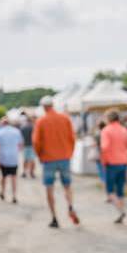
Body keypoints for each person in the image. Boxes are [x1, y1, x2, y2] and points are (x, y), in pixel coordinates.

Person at [33, 96, 79, 228]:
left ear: (43, 107)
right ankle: (70, 206)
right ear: (53, 105)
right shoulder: (65, 118)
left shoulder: (41, 121)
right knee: (67, 186)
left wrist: (40, 155)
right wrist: (69, 152)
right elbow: (72, 137)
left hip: (48, 159)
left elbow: (36, 142)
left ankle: (54, 217)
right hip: (64, 157)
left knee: (49, 188)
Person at [100, 111, 127, 224]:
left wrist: (104, 161)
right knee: (120, 190)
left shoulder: (106, 130)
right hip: (123, 163)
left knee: (110, 190)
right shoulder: (125, 130)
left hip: (111, 163)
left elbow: (104, 148)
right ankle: (121, 212)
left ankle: (121, 211)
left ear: (108, 119)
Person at [0, 117, 24, 203]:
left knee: (4, 176)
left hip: (3, 157)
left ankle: (3, 192)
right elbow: (20, 145)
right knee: (14, 177)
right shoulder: (16, 131)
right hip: (13, 157)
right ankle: (14, 195)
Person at [20, 113, 37, 179]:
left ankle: (24, 172)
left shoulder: (23, 127)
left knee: (25, 159)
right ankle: (31, 173)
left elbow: (20, 137)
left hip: (25, 145)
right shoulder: (34, 127)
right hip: (32, 145)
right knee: (32, 159)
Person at [95, 120, 107, 185]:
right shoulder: (106, 132)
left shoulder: (98, 133)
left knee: (100, 166)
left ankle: (103, 179)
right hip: (105, 151)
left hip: (100, 151)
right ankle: (104, 179)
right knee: (104, 166)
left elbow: (97, 143)